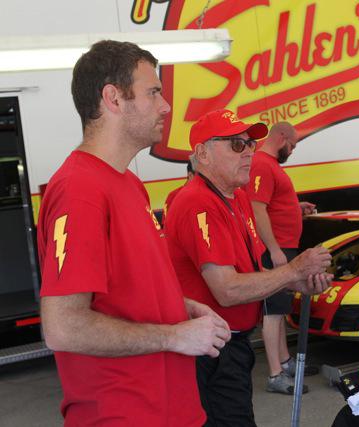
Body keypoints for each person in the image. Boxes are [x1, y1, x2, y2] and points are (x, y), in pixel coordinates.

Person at [37, 40, 231, 426]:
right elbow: (63, 327)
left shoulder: (129, 184)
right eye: (153, 92)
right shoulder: (79, 190)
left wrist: (181, 308)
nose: (166, 106)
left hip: (173, 410)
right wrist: (174, 336)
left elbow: (128, 291)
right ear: (113, 98)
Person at [163, 109, 333, 427]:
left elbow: (251, 273)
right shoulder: (197, 202)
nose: (249, 152)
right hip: (209, 350)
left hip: (232, 344)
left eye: (250, 144)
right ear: (203, 154)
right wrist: (294, 270)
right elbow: (227, 290)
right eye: (236, 145)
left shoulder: (237, 198)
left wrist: (298, 283)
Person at [244, 122, 317, 394]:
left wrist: (296, 207)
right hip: (276, 250)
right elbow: (257, 208)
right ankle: (275, 375)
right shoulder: (262, 164)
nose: (293, 150)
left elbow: (270, 203)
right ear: (282, 137)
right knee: (273, 312)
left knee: (280, 308)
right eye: (293, 145)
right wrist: (273, 249)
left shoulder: (269, 165)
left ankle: (285, 363)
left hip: (283, 247)